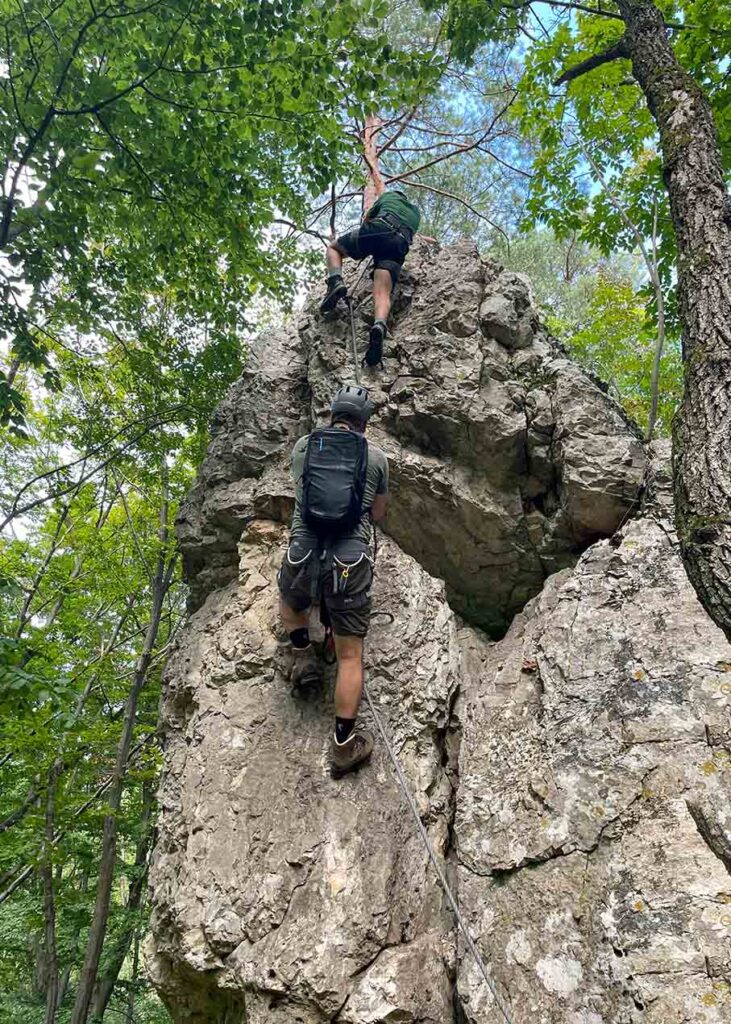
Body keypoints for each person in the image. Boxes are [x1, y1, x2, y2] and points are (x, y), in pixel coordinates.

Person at [277, 384, 389, 777]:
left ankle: (303, 655)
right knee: (349, 655)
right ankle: (343, 745)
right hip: (349, 557)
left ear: (332, 415)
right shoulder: (375, 457)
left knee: (290, 603)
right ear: (364, 424)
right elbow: (377, 512)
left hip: (304, 547)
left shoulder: (305, 446)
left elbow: (300, 492)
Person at [319, 188, 421, 368]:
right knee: (382, 292)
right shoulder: (416, 213)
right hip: (399, 243)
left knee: (334, 249)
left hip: (379, 228)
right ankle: (379, 325)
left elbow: (368, 218)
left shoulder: (387, 196)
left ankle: (335, 281)